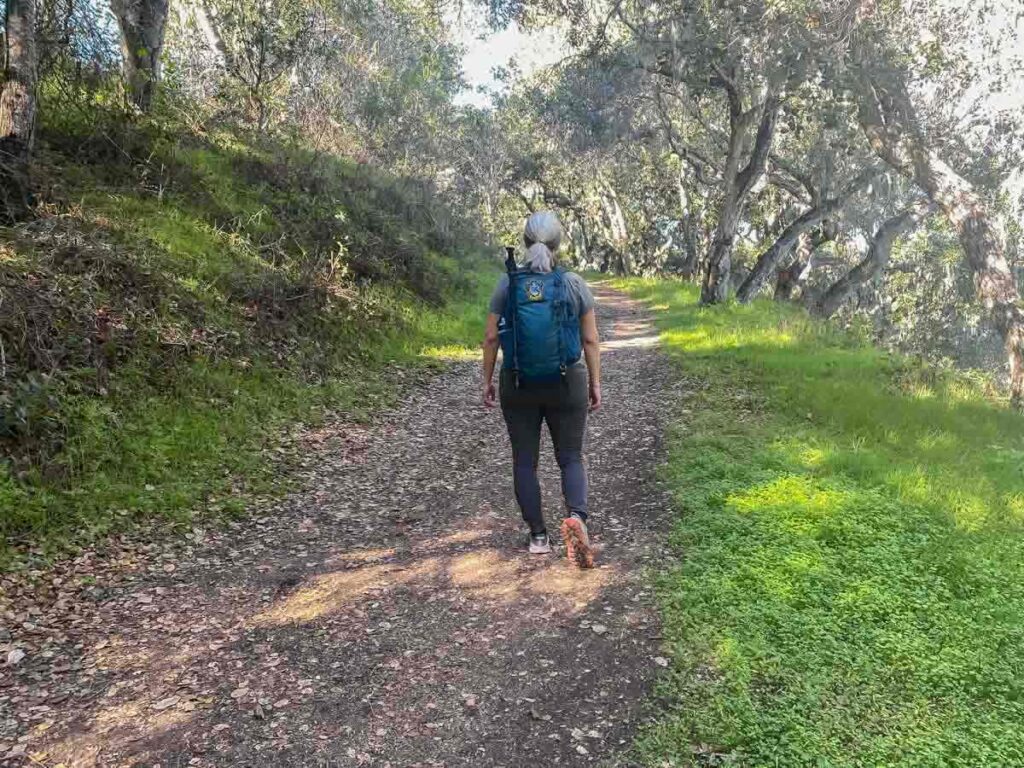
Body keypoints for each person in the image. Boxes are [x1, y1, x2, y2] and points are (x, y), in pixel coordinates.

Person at [481, 211, 601, 568]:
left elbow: (490, 337)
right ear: (557, 244)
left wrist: (486, 380)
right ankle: (576, 518)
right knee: (571, 457)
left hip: (518, 382)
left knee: (524, 461)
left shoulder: (508, 284)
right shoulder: (574, 283)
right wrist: (594, 382)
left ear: (524, 242)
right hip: (567, 382)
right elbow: (591, 339)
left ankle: (537, 536)